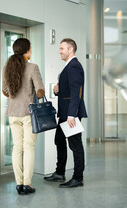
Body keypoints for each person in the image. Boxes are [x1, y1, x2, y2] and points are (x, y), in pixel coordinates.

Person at [2, 38, 45, 195]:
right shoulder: (33, 67)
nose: (32, 51)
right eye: (31, 48)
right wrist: (36, 93)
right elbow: (40, 91)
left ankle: (18, 183)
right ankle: (27, 184)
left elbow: (5, 91)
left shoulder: (7, 67)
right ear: (26, 50)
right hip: (29, 114)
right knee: (29, 148)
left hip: (13, 114)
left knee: (17, 148)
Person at [44, 38, 87, 188]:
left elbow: (76, 92)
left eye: (62, 48)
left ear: (71, 49)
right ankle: (60, 172)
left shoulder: (74, 66)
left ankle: (78, 178)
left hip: (70, 114)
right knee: (59, 141)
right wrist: (58, 90)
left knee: (75, 145)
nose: (60, 51)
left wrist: (71, 115)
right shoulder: (68, 66)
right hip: (65, 113)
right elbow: (68, 90)